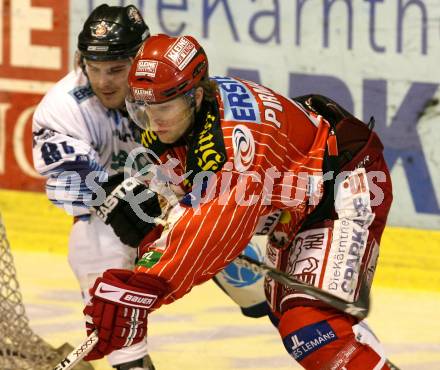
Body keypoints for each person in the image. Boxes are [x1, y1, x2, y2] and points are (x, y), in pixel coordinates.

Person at [82, 34, 395, 369]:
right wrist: (159, 224)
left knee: (310, 325)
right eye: (143, 108)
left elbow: (214, 229)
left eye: (163, 109)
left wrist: (143, 285)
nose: (153, 121)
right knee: (291, 316)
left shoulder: (233, 143)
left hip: (344, 184)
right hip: (299, 202)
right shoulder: (188, 114)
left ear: (195, 95)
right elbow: (194, 202)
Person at [32, 4, 156, 370]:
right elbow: (74, 179)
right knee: (94, 251)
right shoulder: (64, 106)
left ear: (140, 59)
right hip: (110, 215)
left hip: (183, 195)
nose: (104, 82)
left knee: (250, 285)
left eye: (117, 70)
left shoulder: (167, 83)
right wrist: (113, 196)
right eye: (95, 68)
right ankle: (130, 360)